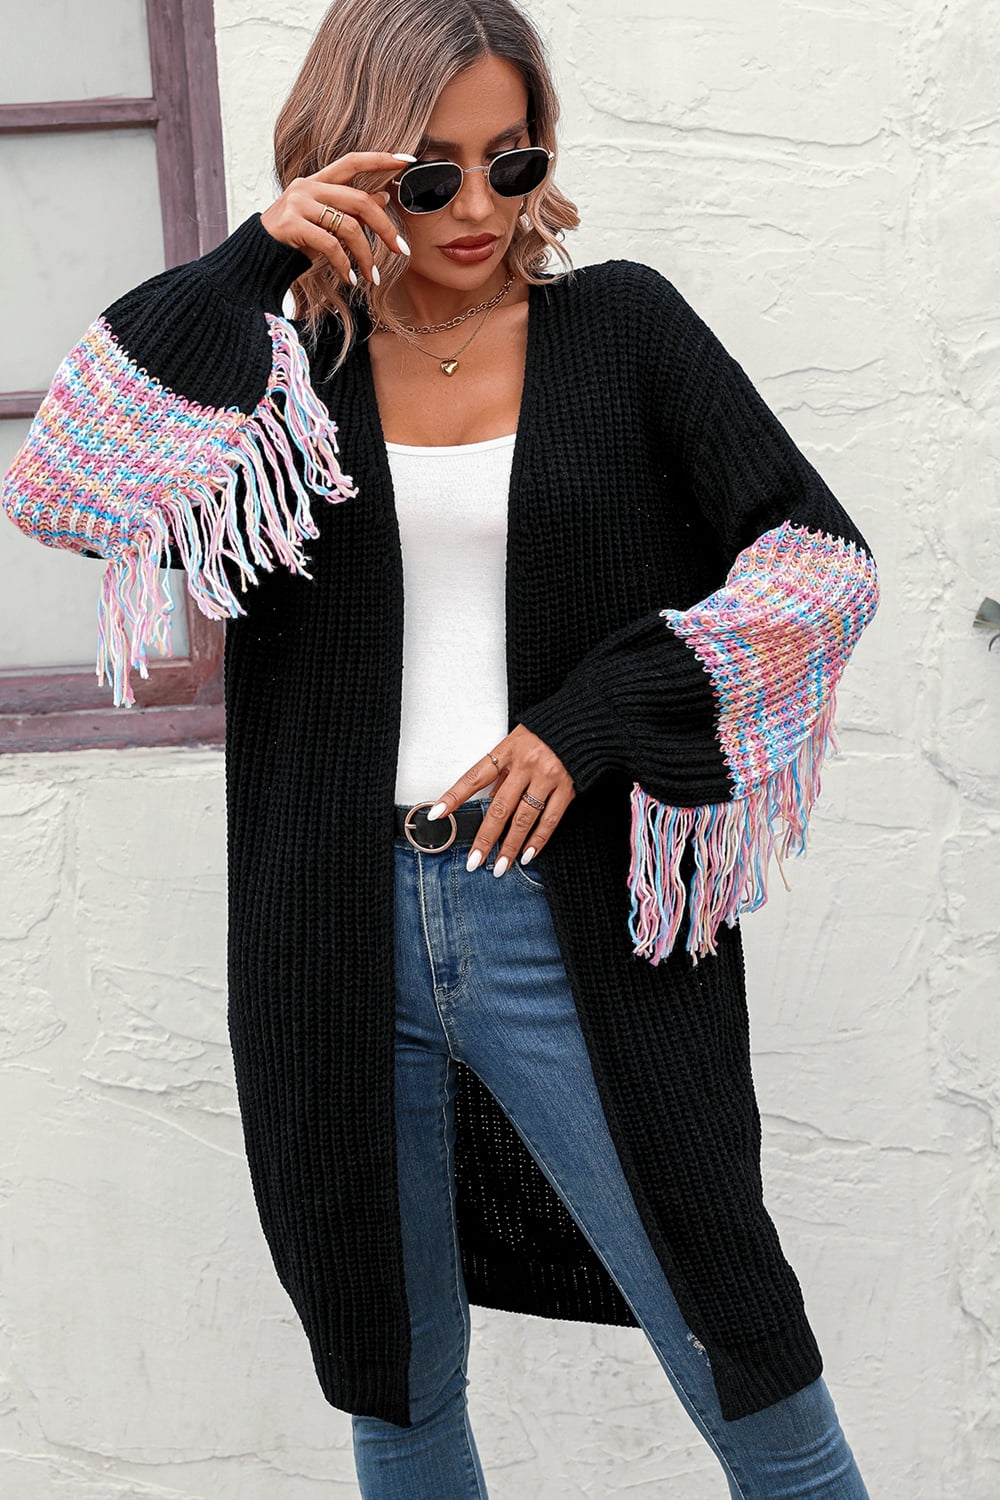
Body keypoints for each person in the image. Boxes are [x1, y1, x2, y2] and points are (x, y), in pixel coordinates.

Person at [1, 0, 880, 1494]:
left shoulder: (626, 330)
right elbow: (62, 486)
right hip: (332, 929)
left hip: (562, 911)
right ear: (348, 167)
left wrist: (597, 713)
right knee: (396, 1389)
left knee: (746, 1359)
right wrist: (252, 259)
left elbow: (819, 565)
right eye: (429, 174)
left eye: (512, 161)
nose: (480, 207)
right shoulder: (282, 375)